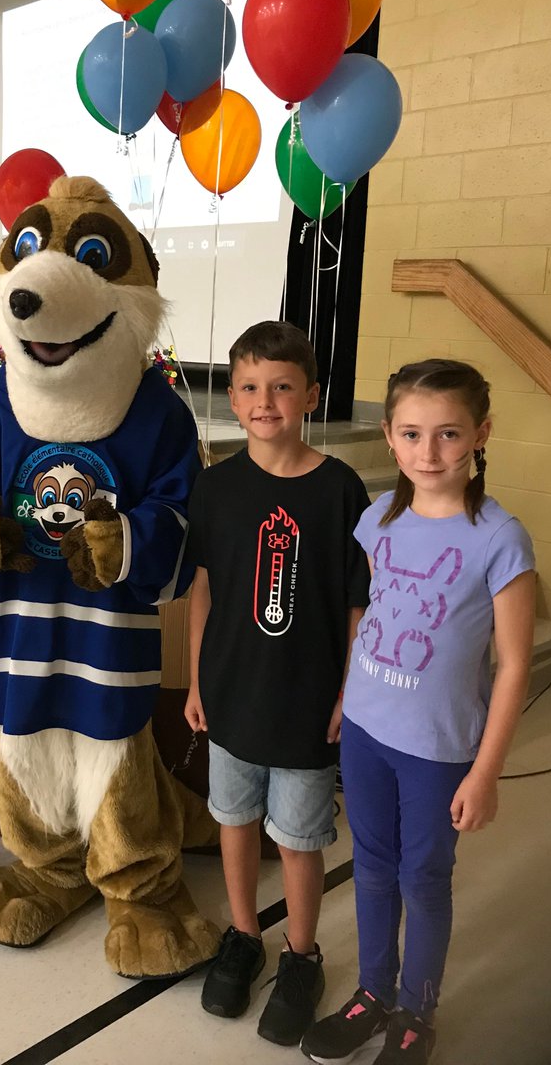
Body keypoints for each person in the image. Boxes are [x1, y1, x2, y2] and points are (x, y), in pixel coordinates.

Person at [301, 359, 536, 1065]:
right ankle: (374, 992)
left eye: (448, 435)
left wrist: (486, 772)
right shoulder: (378, 517)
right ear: (390, 437)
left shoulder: (499, 538)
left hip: (437, 750)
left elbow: (516, 664)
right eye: (412, 434)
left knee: (422, 877)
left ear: (480, 434)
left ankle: (416, 1010)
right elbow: (374, 615)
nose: (428, 454)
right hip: (368, 733)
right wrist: (348, 694)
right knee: (370, 868)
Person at [185, 320, 371, 1046]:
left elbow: (357, 602)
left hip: (306, 703)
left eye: (283, 387)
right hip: (231, 693)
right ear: (232, 398)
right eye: (252, 387)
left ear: (310, 396)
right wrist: (199, 677)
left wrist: (349, 691)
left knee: (297, 836)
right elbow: (203, 588)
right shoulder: (217, 486)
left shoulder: (340, 490)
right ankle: (241, 935)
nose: (267, 401)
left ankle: (300, 955)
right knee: (233, 822)